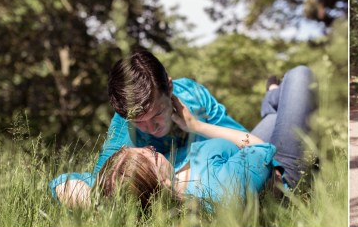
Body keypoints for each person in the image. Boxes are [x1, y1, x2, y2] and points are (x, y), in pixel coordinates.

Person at [50, 50, 314, 208]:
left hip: (250, 156)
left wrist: (196, 126)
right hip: (266, 168)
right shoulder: (124, 126)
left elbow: (244, 138)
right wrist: (114, 199)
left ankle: (272, 96)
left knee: (277, 116)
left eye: (157, 115)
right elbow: (89, 182)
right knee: (298, 79)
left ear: (170, 87)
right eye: (139, 121)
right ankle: (275, 96)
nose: (149, 130)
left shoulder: (192, 94)